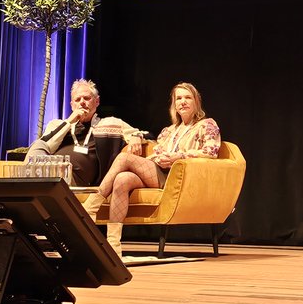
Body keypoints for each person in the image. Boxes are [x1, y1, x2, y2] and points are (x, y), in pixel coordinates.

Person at [81, 82, 221, 255]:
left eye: (187, 97)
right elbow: (157, 151)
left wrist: (179, 156)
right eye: (178, 98)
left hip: (179, 177)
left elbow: (210, 152)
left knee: (124, 158)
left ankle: (91, 206)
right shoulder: (169, 130)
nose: (183, 102)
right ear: (174, 104)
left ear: (196, 102)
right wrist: (159, 158)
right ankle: (113, 245)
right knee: (122, 180)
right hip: (159, 171)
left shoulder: (206, 125)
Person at [26, 79, 139, 187]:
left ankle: (37, 182)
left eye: (86, 98)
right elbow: (45, 144)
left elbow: (143, 134)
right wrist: (69, 122)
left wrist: (136, 136)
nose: (82, 102)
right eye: (77, 99)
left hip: (72, 178)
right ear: (72, 105)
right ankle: (35, 181)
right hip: (49, 169)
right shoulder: (57, 124)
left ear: (97, 101)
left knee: (57, 173)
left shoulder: (111, 123)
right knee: (38, 144)